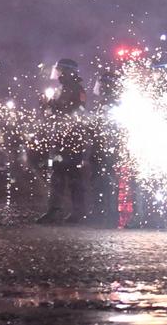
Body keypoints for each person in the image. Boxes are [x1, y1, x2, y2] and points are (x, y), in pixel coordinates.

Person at [37, 58, 88, 224]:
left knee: (72, 176)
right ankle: (56, 210)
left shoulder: (76, 89)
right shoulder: (63, 88)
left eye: (60, 71)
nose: (57, 74)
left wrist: (53, 107)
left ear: (67, 72)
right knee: (57, 175)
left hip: (72, 139)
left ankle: (77, 212)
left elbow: (76, 111)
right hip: (61, 137)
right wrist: (48, 105)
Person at [86, 71, 120, 227]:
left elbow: (111, 127)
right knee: (100, 179)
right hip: (101, 146)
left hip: (107, 147)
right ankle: (102, 210)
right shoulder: (105, 100)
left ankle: (108, 212)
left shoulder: (112, 101)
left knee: (106, 180)